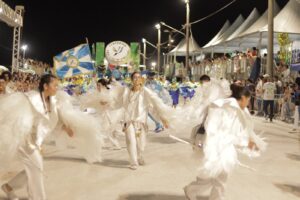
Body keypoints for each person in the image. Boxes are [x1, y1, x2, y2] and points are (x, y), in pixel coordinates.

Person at [184, 84, 266, 200]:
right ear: (243, 98)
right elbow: (218, 130)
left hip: (225, 148)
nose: (248, 103)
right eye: (248, 100)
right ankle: (194, 190)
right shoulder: (221, 107)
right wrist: (245, 142)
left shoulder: (240, 111)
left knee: (218, 177)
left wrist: (248, 141)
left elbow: (240, 131)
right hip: (215, 146)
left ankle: (197, 191)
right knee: (215, 176)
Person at [115, 72, 170, 170]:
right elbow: (118, 103)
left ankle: (139, 156)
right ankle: (133, 161)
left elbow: (155, 105)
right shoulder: (126, 91)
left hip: (141, 122)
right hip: (128, 121)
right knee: (130, 141)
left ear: (141, 79)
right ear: (131, 80)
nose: (136, 79)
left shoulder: (145, 91)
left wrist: (163, 119)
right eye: (134, 77)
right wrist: (106, 103)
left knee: (141, 145)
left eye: (138, 77)